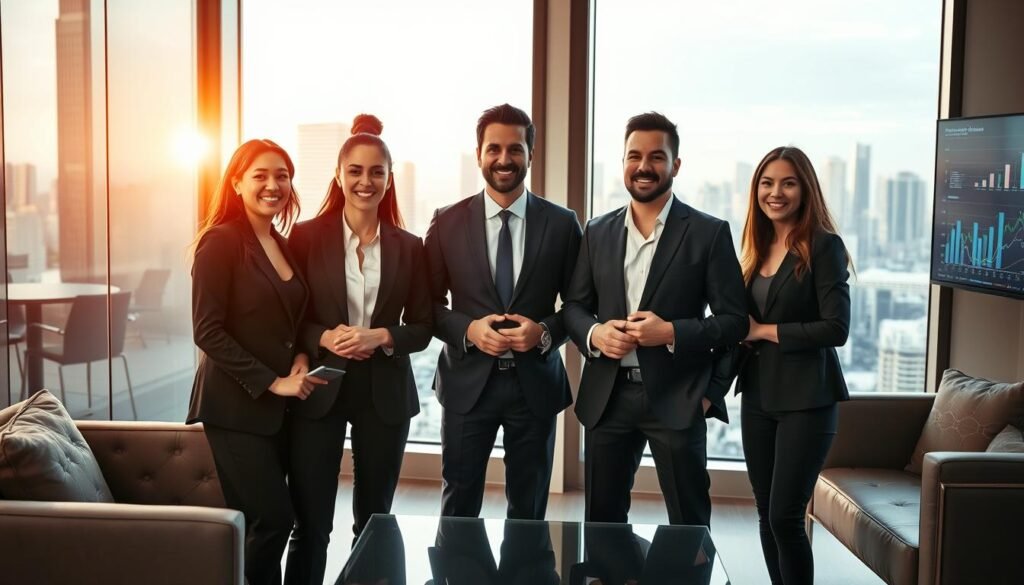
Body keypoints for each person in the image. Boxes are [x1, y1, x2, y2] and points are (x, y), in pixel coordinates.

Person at [563, 112, 747, 526]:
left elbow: (735, 322)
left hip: (679, 398)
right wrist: (595, 333)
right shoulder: (596, 231)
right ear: (623, 161)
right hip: (607, 399)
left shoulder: (708, 232)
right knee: (602, 525)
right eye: (634, 156)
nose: (644, 166)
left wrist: (673, 336)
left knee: (689, 526)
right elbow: (572, 308)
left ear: (675, 165)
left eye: (656, 157)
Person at [285, 114, 432, 585]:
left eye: (376, 173)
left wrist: (382, 336)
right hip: (320, 388)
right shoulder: (305, 238)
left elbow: (425, 326)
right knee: (311, 523)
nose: (365, 181)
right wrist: (325, 337)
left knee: (375, 520)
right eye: (355, 171)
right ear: (338, 174)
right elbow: (290, 318)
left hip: (384, 392)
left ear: (389, 180)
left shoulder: (410, 247)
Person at [425, 103, 582, 520]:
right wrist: (469, 330)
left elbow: (581, 306)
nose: (504, 159)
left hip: (535, 384)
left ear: (531, 155)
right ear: (479, 154)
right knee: (458, 502)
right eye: (494, 148)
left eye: (516, 149)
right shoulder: (446, 223)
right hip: (466, 384)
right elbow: (426, 307)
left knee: (529, 508)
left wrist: (544, 333)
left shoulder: (564, 224)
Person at [188, 139, 327, 585]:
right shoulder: (220, 242)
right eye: (261, 175)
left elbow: (296, 320)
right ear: (236, 182)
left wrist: (303, 358)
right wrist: (273, 382)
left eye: (282, 175)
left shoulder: (281, 243)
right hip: (233, 408)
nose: (274, 185)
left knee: (271, 523)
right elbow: (207, 331)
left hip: (278, 412)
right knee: (272, 520)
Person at [736, 146, 851, 585]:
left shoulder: (823, 246)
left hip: (807, 400)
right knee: (766, 514)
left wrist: (765, 330)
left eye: (787, 183)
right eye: (767, 183)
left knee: (785, 516)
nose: (776, 193)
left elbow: (835, 328)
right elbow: (738, 328)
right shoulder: (756, 247)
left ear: (805, 189)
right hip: (759, 397)